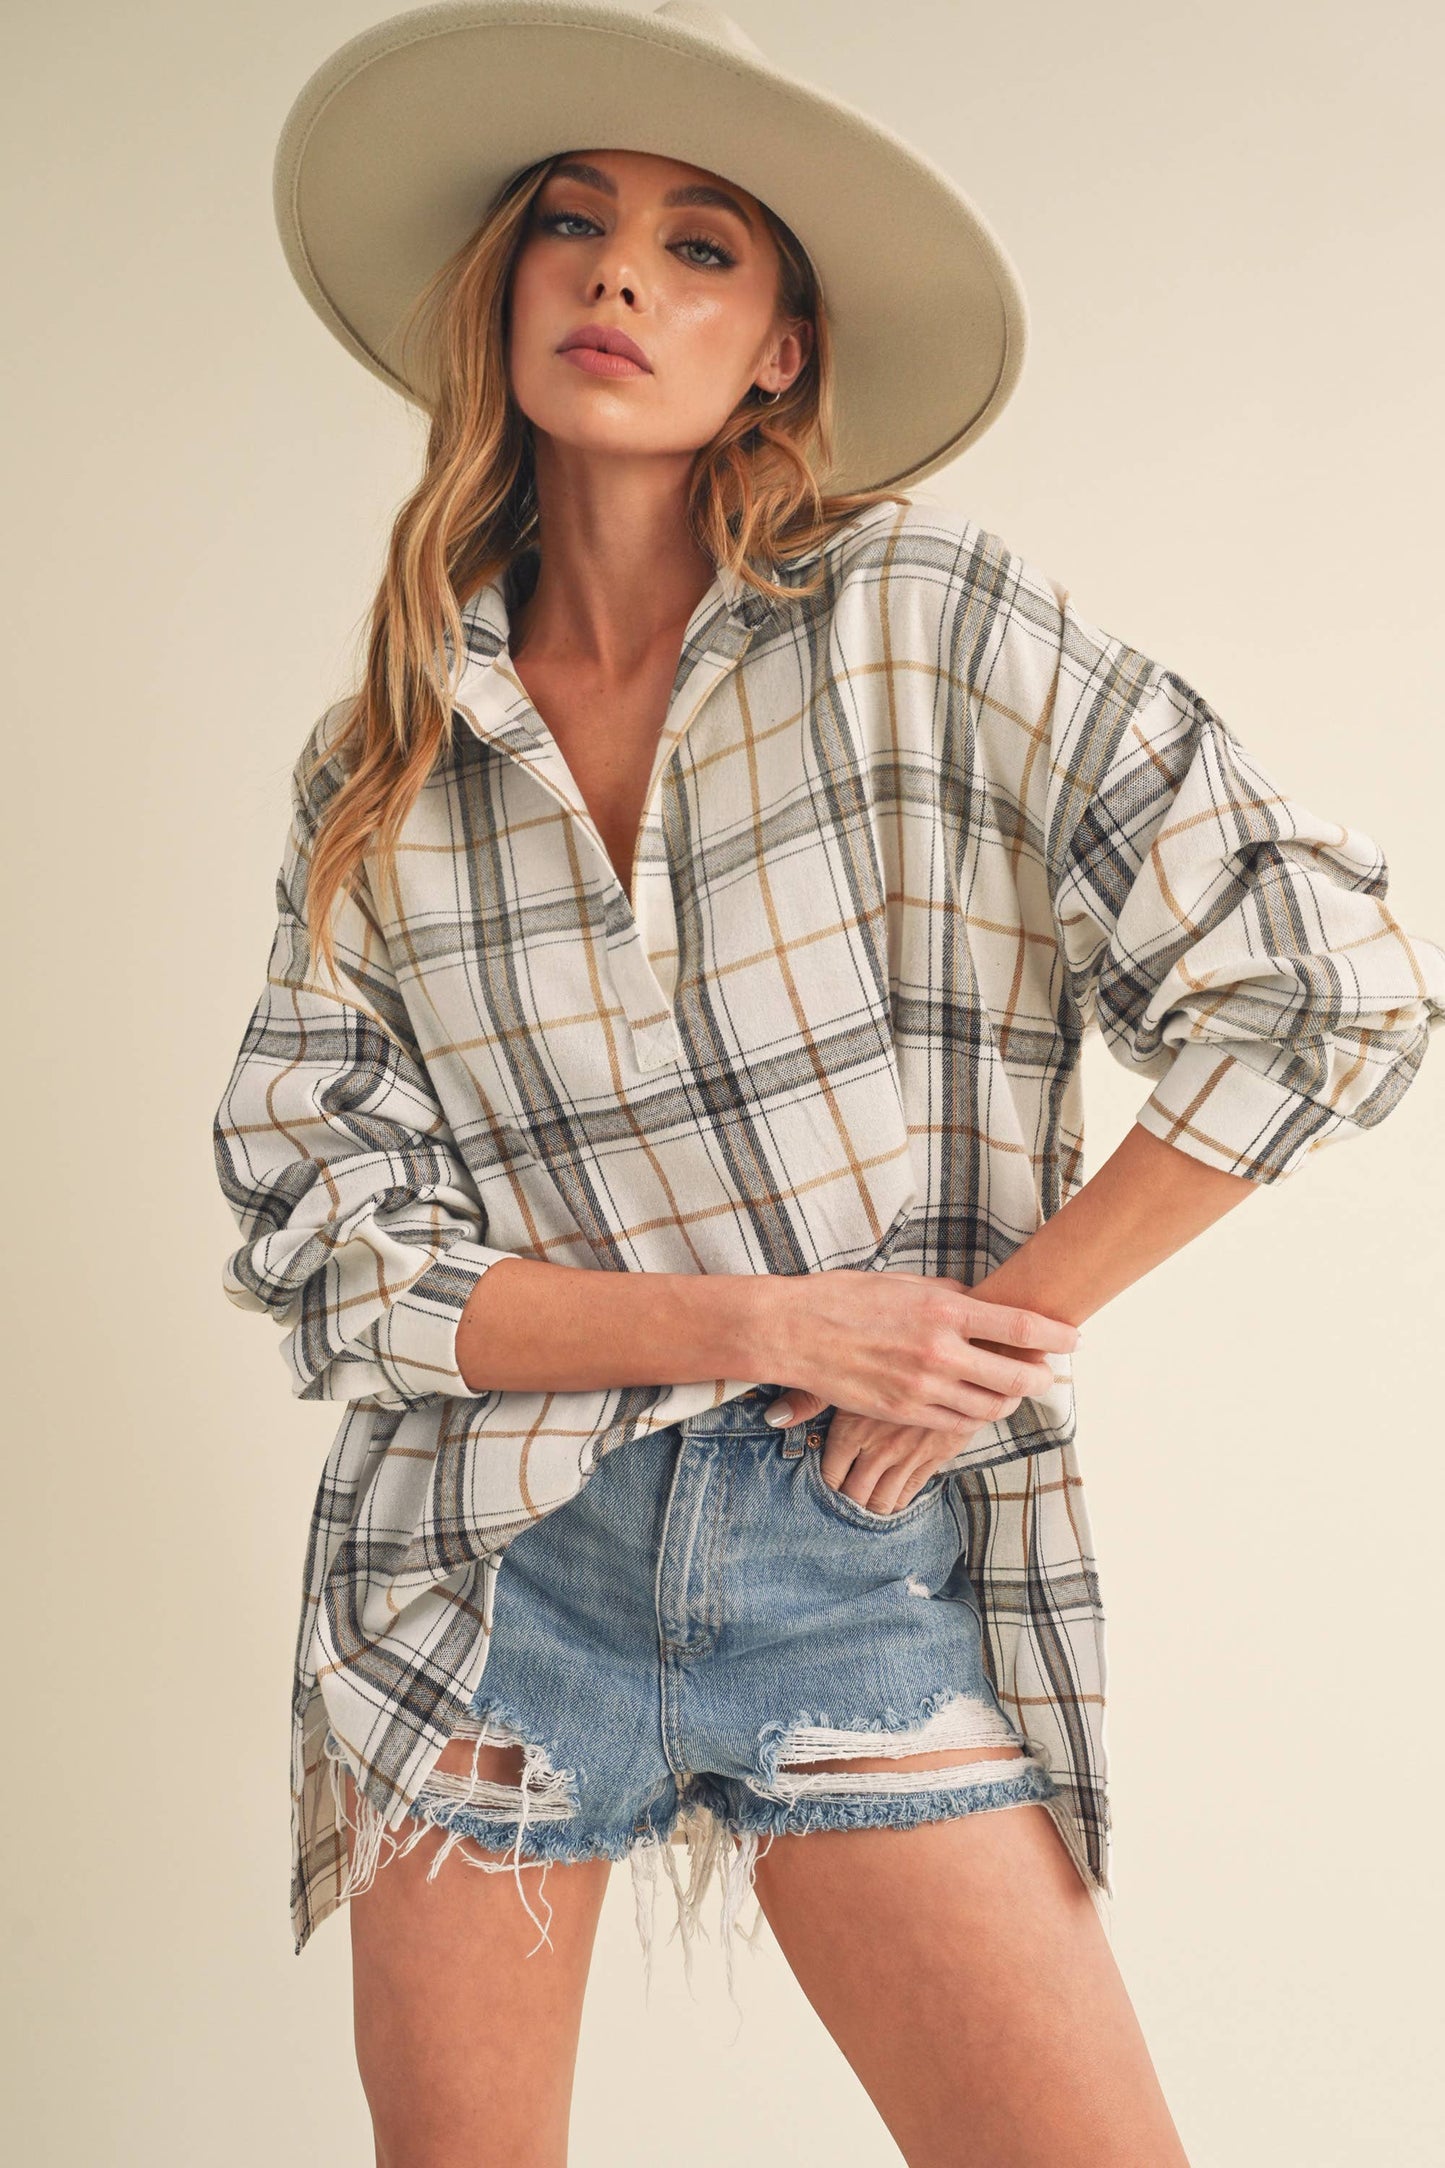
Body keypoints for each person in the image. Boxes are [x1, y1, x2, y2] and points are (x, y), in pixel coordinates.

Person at [212, 6, 1445, 2163]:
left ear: (782, 346)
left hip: (849, 1553)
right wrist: (771, 1320)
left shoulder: (921, 622)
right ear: (500, 285)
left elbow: (1324, 984)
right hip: (488, 1576)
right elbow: (330, 1252)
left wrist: (973, 1342)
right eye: (574, 227)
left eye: (702, 250)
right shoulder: (381, 766)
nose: (620, 279)